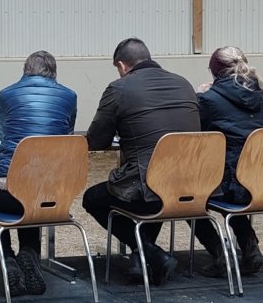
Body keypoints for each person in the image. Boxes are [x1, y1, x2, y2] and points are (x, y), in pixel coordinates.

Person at [82, 37, 200, 286]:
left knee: (93, 199)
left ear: (122, 66)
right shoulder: (184, 84)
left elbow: (96, 140)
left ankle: (151, 253)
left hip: (149, 188)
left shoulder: (119, 89)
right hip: (190, 183)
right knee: (149, 188)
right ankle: (142, 258)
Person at [0, 50, 77, 297]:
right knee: (33, 200)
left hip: (9, 192)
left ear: (25, 70)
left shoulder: (7, 94)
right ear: (54, 73)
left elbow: (3, 133)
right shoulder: (69, 96)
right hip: (52, 196)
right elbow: (66, 136)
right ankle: (29, 255)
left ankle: (6, 261)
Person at [193, 46, 263, 277]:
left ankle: (221, 253)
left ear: (215, 72)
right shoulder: (262, 96)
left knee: (186, 196)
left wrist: (200, 96)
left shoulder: (209, 100)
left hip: (232, 182)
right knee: (232, 188)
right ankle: (250, 249)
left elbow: (197, 136)